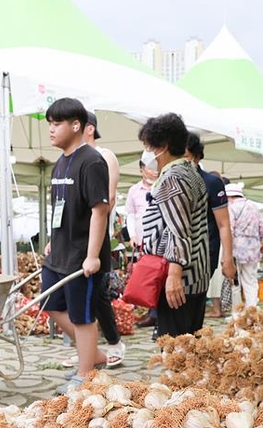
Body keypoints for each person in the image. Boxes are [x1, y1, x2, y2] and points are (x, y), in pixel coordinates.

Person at [41, 98, 111, 393]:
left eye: (57, 124)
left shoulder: (92, 161)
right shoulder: (60, 162)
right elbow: (61, 206)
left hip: (83, 255)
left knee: (83, 317)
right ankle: (92, 354)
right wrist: (50, 240)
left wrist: (93, 255)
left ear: (76, 125)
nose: (51, 130)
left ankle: (85, 374)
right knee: (51, 304)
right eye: (50, 124)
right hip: (59, 252)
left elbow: (100, 210)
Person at [139, 113, 210, 337]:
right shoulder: (191, 172)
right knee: (190, 348)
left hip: (179, 279)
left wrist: (174, 276)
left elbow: (178, 229)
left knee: (175, 350)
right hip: (195, 275)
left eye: (149, 146)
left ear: (164, 146)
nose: (148, 152)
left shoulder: (173, 178)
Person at [83, 111, 125, 368]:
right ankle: (87, 350)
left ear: (88, 128)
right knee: (76, 295)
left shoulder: (105, 156)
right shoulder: (70, 159)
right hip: (75, 240)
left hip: (97, 236)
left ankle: (113, 342)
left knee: (98, 294)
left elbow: (106, 201)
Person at [185, 134, 235, 318]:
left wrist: (228, 258)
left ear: (197, 156)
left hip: (205, 255)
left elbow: (224, 224)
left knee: (195, 305)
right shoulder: (170, 179)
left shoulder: (212, 183)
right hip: (175, 255)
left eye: (185, 156)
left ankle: (192, 339)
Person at [125, 160, 158, 328]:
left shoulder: (161, 186)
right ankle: (151, 310)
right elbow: (130, 214)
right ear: (141, 170)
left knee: (159, 275)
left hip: (160, 239)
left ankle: (155, 313)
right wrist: (132, 235)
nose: (153, 172)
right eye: (150, 169)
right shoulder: (134, 191)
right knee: (147, 277)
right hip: (142, 241)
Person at [226, 184, 263, 308]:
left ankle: (237, 313)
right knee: (251, 281)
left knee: (235, 282)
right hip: (253, 250)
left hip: (236, 250)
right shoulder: (254, 207)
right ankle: (251, 312)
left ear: (230, 196)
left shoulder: (232, 208)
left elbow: (229, 230)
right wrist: (258, 241)